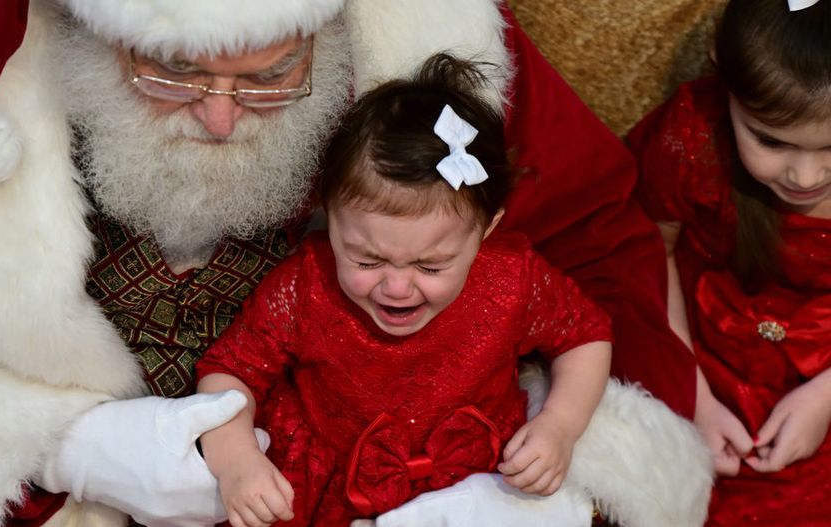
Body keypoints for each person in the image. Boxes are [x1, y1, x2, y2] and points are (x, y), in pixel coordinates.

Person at [0, 0, 707, 526]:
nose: (218, 118)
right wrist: (69, 445)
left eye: (272, 75)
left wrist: (550, 463)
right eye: (171, 72)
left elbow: (597, 238)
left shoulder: (429, 40)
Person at [195, 54, 613, 527]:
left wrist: (560, 425)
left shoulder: (511, 278)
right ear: (330, 222)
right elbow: (229, 372)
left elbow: (585, 336)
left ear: (486, 231)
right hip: (327, 491)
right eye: (366, 260)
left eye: (431, 265)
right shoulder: (306, 284)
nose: (396, 287)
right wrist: (235, 460)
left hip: (478, 485)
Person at [628, 0, 831, 524]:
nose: (806, 178)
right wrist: (690, 391)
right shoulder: (693, 136)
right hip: (696, 347)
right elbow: (653, 247)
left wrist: (826, 395)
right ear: (723, 73)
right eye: (769, 139)